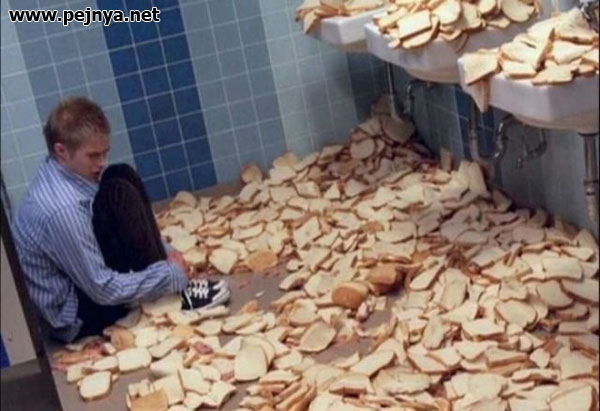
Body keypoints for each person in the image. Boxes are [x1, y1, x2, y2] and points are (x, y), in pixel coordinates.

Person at [12, 97, 229, 343]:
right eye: (93, 156)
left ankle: (165, 278)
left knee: (120, 175)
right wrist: (169, 275)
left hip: (78, 281)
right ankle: (172, 292)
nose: (101, 162)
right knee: (118, 195)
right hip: (74, 317)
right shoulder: (63, 209)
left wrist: (165, 253)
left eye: (105, 152)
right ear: (61, 151)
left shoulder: (62, 170)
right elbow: (102, 289)